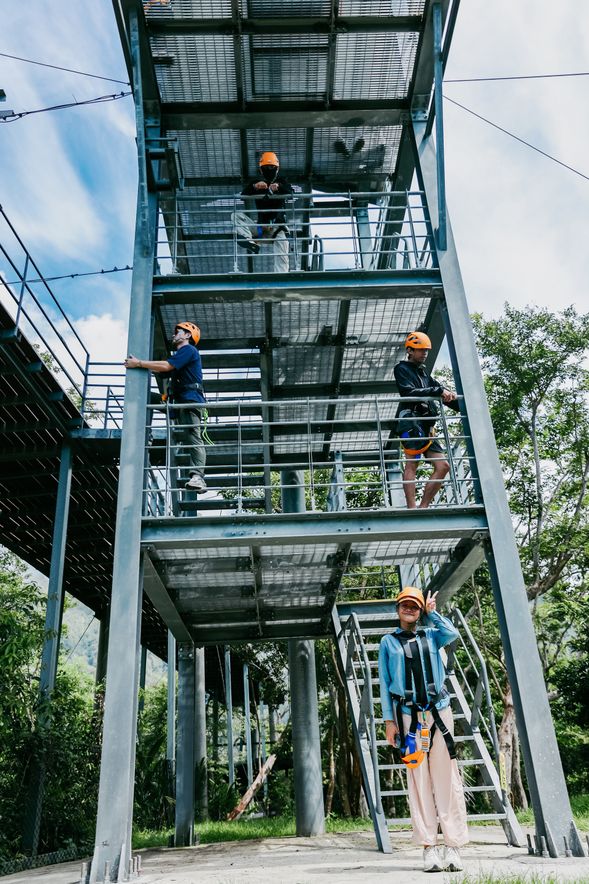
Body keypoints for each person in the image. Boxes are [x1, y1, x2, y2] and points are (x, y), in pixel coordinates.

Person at [378, 586, 468, 873]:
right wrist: (389, 722)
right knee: (418, 781)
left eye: (414, 606)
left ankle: (452, 846)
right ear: (397, 609)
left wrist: (433, 612)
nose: (409, 609)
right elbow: (384, 683)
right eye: (405, 605)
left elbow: (452, 633)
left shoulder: (432, 634)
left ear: (419, 611)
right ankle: (429, 848)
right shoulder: (387, 642)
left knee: (446, 777)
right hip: (408, 719)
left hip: (439, 713)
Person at [124, 321, 207, 492]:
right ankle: (147, 434)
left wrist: (139, 363)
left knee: (193, 436)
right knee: (146, 397)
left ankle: (198, 477)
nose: (174, 334)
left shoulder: (189, 350)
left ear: (188, 335)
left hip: (190, 401)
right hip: (178, 402)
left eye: (179, 332)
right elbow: (163, 370)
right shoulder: (181, 356)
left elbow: (166, 366)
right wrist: (141, 366)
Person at [394, 331, 459, 509]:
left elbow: (437, 388)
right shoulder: (401, 369)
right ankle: (412, 508)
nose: (424, 353)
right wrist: (437, 391)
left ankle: (423, 506)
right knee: (412, 463)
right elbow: (407, 392)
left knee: (443, 466)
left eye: (426, 350)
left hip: (426, 423)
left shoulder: (423, 374)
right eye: (420, 350)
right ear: (409, 350)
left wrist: (458, 402)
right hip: (411, 421)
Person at [232, 150, 293, 272]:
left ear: (277, 168)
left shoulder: (282, 182)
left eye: (271, 167)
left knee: (282, 245)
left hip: (277, 229)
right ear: (261, 170)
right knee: (236, 215)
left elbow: (290, 192)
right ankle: (249, 241)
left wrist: (278, 187)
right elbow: (244, 194)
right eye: (266, 167)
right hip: (260, 228)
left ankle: (281, 276)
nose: (269, 170)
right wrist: (255, 186)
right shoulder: (257, 183)